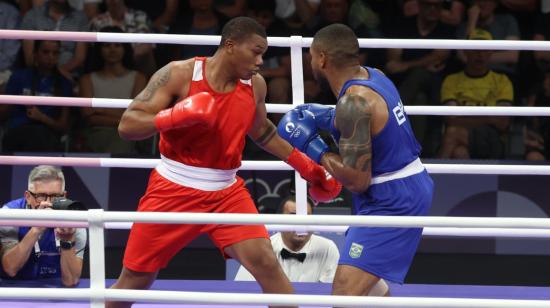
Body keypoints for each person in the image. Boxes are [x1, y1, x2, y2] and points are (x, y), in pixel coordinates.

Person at [108, 16, 341, 308]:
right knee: (135, 279)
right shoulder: (180, 74)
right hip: (173, 188)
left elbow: (263, 131)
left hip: (226, 192)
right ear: (230, 45)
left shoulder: (255, 85)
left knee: (267, 263)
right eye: (255, 51)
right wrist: (174, 116)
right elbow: (127, 125)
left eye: (263, 54)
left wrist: (307, 166)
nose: (260, 61)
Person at [277, 23, 434, 297]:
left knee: (345, 292)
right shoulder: (375, 76)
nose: (311, 61)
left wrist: (314, 147)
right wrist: (327, 116)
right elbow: (371, 124)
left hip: (392, 198)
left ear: (322, 58)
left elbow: (357, 180)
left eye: (312, 55)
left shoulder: (353, 103)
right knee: (368, 284)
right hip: (399, 185)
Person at [0, 165, 87, 287]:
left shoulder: (74, 217)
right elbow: (10, 269)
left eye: (56, 196)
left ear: (64, 195)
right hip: (14, 290)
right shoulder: (9, 213)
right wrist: (36, 229)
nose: (48, 203)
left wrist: (67, 239)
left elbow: (71, 281)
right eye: (41, 196)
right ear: (28, 197)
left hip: (55, 293)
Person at [438, 29, 513, 159]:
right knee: (459, 153)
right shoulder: (451, 81)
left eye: (485, 49)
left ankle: (431, 177)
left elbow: (502, 122)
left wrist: (465, 120)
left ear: (491, 52)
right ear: (466, 51)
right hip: (464, 136)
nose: (480, 54)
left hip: (492, 138)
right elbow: (451, 120)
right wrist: (488, 118)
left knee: (452, 133)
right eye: (475, 49)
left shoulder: (502, 81)